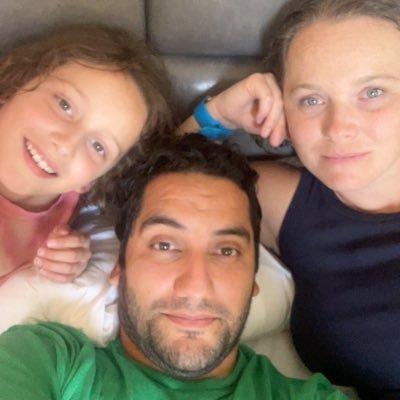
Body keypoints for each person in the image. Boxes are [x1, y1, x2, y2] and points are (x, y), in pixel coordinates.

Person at [0, 134, 347, 400]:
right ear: (120, 267)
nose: (196, 286)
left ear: (253, 277)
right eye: (164, 246)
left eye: (226, 251)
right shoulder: (45, 364)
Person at [179, 0, 400, 398]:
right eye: (311, 100)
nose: (338, 128)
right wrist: (218, 116)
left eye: (372, 92)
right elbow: (162, 191)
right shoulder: (286, 204)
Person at [0, 24, 172, 284]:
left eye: (98, 147)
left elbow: (171, 174)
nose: (65, 145)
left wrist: (70, 260)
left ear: (92, 181)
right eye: (64, 105)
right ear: (15, 85)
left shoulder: (70, 205)